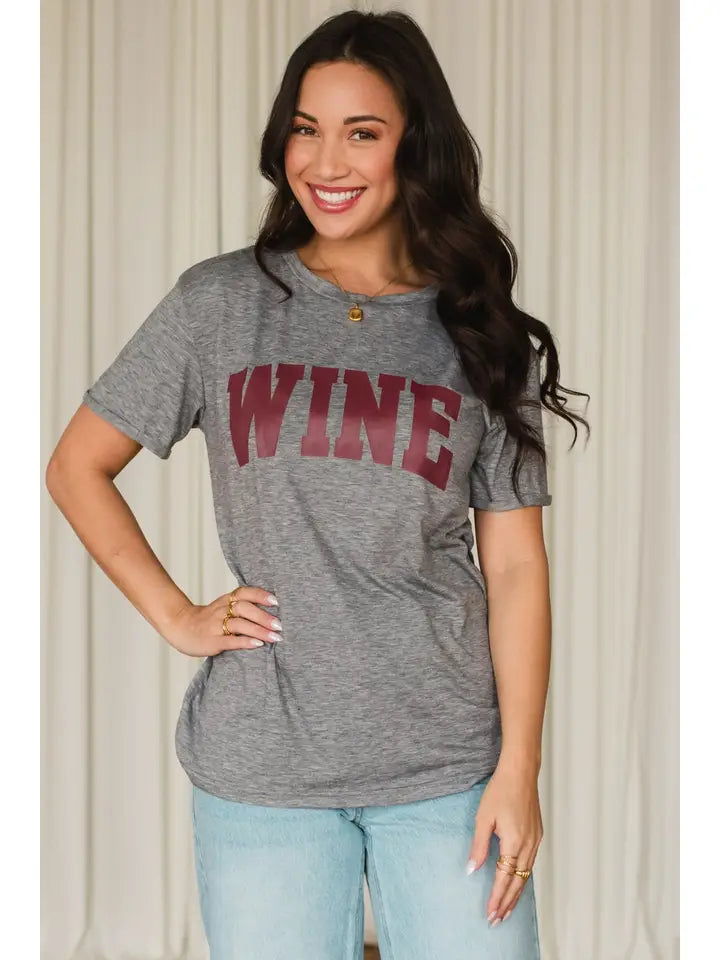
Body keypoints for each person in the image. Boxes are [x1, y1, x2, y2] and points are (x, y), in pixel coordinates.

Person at [46, 9, 589, 960]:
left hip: (447, 761)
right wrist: (178, 616)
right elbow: (76, 466)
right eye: (306, 128)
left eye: (362, 132)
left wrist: (520, 768)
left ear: (414, 145)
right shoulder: (220, 304)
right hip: (265, 764)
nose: (326, 161)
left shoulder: (479, 330)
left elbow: (514, 569)